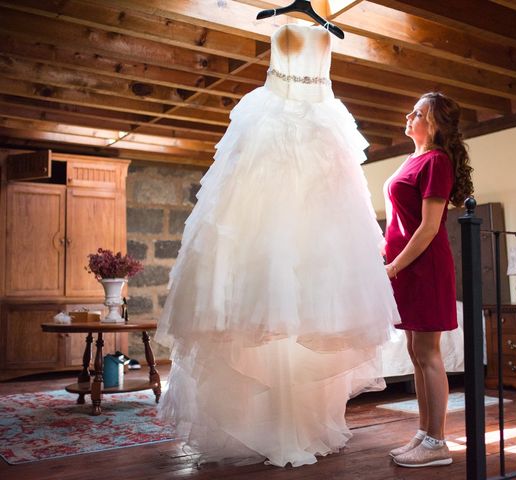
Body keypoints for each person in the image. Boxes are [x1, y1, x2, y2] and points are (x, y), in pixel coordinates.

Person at [154, 22, 399, 468]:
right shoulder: (288, 27)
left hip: (317, 145)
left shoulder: (312, 34)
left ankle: (298, 424)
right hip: (275, 137)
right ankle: (267, 424)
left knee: (308, 271)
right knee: (265, 257)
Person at [383, 92, 474, 468]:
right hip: (406, 268)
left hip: (423, 268)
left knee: (429, 354)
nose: (409, 115)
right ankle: (423, 432)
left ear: (434, 124)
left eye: (417, 113)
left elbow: (429, 228)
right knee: (415, 352)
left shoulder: (436, 161)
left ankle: (437, 443)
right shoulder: (413, 158)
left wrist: (394, 266)